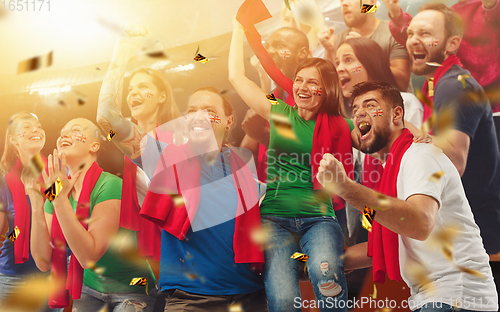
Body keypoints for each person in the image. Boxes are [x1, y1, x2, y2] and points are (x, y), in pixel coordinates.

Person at [97, 26, 267, 312]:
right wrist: (121, 51)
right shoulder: (165, 154)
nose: (198, 116)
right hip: (191, 299)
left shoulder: (244, 168)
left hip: (250, 295)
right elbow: (107, 117)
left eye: (209, 111)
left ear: (229, 121)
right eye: (191, 111)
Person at [316, 80, 498, 312]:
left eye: (371, 106)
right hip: (441, 299)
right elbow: (381, 243)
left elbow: (419, 223)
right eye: (355, 110)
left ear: (396, 115)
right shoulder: (389, 177)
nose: (360, 112)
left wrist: (345, 187)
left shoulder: (419, 156)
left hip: (455, 298)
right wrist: (313, 263)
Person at [230, 18, 355, 312]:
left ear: (327, 91)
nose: (302, 86)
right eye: (299, 80)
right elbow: (237, 77)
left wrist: (414, 131)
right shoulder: (282, 114)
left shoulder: (339, 124)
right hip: (274, 219)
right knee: (283, 301)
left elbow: (378, 137)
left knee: (328, 283)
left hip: (319, 218)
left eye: (313, 82)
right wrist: (238, 27)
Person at [404, 4, 500, 304]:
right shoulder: (441, 83)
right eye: (410, 33)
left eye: (426, 33)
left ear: (452, 43)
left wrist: (400, 128)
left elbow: (454, 161)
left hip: (482, 242)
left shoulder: (455, 87)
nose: (413, 39)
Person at [27, 118, 157, 312]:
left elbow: (88, 257)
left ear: (94, 145)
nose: (64, 134)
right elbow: (43, 262)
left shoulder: (110, 185)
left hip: (132, 288)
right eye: (62, 131)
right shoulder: (57, 191)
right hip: (90, 289)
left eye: (75, 130)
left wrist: (60, 201)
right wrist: (38, 204)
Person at [382, 0, 500, 112]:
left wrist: (492, 6)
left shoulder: (484, 11)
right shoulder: (449, 14)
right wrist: (396, 14)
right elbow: (419, 38)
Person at [0, 112, 60, 311]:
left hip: (54, 274)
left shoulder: (59, 172)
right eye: (26, 126)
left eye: (39, 125)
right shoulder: (3, 183)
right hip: (13, 276)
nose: (35, 129)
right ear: (13, 139)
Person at [318, 0, 411, 91]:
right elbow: (333, 88)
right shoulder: (337, 40)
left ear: (372, 2)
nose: (344, 3)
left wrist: (366, 53)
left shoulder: (393, 34)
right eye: (341, 0)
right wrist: (329, 51)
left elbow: (402, 83)